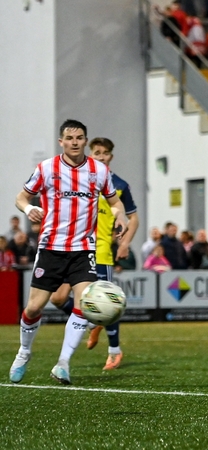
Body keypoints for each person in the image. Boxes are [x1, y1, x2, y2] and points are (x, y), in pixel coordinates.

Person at [9, 119, 128, 385]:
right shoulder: (47, 168)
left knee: (83, 306)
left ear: (85, 141)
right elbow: (21, 197)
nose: (75, 142)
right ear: (61, 141)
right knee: (34, 307)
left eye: (79, 137)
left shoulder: (98, 171)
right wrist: (29, 210)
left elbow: (115, 202)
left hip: (83, 248)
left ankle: (63, 363)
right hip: (51, 247)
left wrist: (120, 217)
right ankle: (24, 351)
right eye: (69, 138)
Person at [48, 137, 140, 371]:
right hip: (71, 248)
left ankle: (114, 351)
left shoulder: (118, 184)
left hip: (99, 252)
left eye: (105, 153)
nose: (100, 156)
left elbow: (134, 218)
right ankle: (92, 322)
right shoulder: (77, 178)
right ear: (91, 153)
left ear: (111, 156)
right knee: (57, 298)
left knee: (109, 302)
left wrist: (124, 243)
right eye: (97, 152)